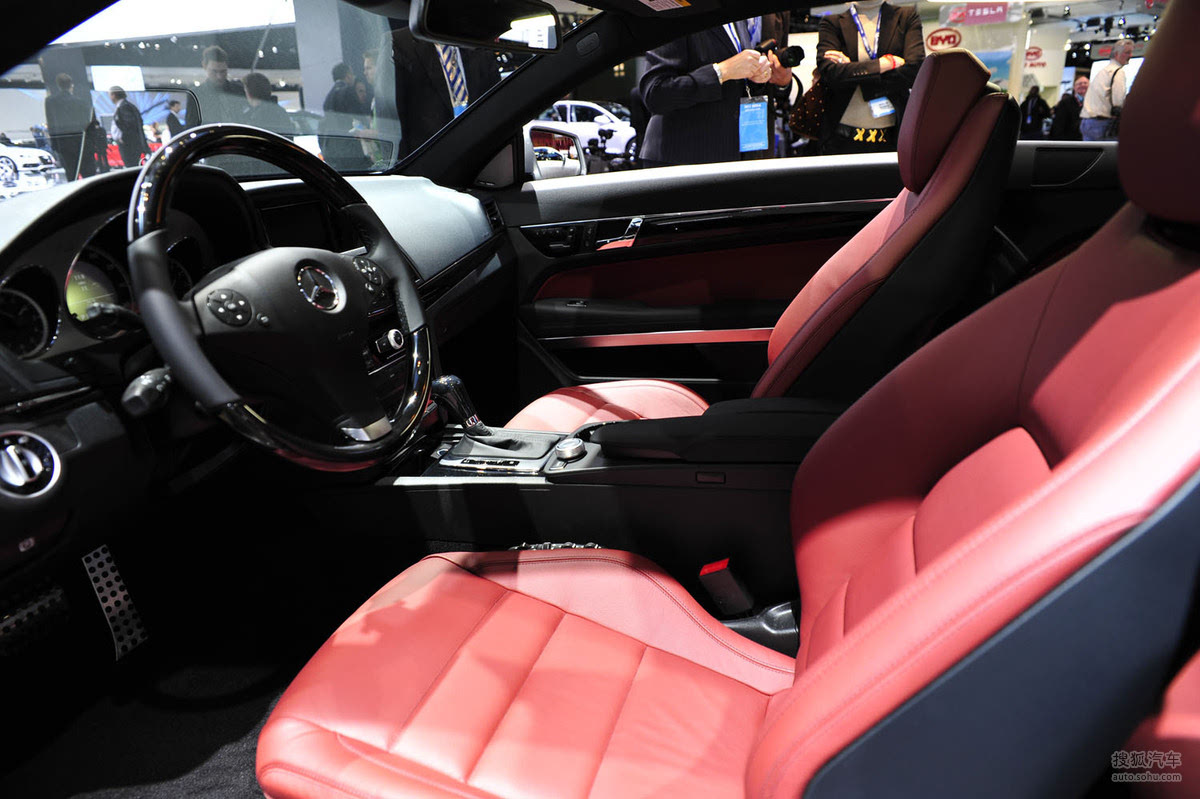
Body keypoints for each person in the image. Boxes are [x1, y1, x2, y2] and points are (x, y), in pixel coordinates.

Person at [639, 19, 797, 167]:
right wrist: (721, 71)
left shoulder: (737, 19)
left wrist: (756, 76)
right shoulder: (677, 13)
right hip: (682, 161)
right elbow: (655, 93)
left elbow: (734, 83)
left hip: (733, 158)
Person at [815, 0, 924, 155]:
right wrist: (884, 64)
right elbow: (830, 73)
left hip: (893, 137)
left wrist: (852, 71)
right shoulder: (832, 22)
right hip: (841, 138)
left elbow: (914, 70)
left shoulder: (906, 16)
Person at [379, 29, 501, 159]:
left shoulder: (477, 42)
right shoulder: (398, 42)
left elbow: (497, 107)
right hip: (425, 162)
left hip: (479, 159)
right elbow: (388, 115)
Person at [43, 73, 94, 179]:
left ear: (58, 85)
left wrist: (54, 144)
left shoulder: (50, 102)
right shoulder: (81, 102)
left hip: (63, 143)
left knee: (71, 173)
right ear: (71, 85)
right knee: (86, 172)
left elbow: (51, 122)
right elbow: (86, 124)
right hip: (80, 142)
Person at [1081, 38, 1133, 141]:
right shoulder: (1118, 72)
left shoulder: (1103, 71)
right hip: (1102, 124)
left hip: (1087, 122)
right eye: (1127, 52)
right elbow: (1118, 101)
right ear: (1117, 54)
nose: (1130, 55)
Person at [186, 45, 246, 127]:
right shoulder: (196, 95)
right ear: (204, 66)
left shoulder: (238, 90)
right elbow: (191, 126)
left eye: (223, 71)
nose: (219, 76)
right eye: (214, 71)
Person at [319, 62, 364, 169]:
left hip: (332, 149)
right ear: (348, 75)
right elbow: (357, 117)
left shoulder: (328, 97)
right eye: (352, 74)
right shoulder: (348, 91)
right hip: (349, 149)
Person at [109, 86, 149, 169]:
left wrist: (123, 138)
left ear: (113, 95)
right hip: (129, 145)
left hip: (129, 146)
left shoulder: (124, 107)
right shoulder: (125, 106)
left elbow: (130, 126)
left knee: (131, 167)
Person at [1049, 74, 1088, 141]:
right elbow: (1058, 126)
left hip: (1088, 141)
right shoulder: (1065, 103)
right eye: (1079, 83)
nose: (1083, 85)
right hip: (1069, 141)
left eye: (1085, 83)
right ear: (1074, 87)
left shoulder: (1094, 103)